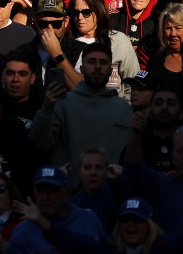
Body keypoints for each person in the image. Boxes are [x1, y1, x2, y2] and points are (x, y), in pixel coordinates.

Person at [30, 41, 132, 170]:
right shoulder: (63, 104)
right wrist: (47, 107)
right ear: (82, 68)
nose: (97, 67)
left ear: (111, 70)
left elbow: (132, 156)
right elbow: (39, 142)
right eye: (92, 61)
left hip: (111, 187)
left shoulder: (123, 109)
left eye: (103, 63)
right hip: (70, 187)